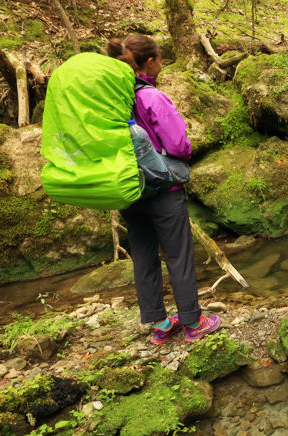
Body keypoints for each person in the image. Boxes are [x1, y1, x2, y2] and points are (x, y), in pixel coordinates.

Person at [106, 34, 221, 344]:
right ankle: (192, 323)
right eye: (159, 59)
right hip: (162, 189)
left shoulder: (112, 100)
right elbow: (177, 145)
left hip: (129, 188)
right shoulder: (151, 97)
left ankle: (159, 322)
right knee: (178, 255)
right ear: (150, 62)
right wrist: (185, 150)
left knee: (143, 256)